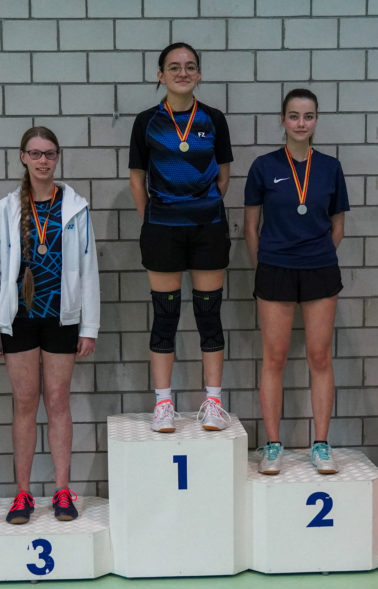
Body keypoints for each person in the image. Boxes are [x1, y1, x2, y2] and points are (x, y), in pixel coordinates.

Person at [0, 126, 100, 525]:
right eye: (35, 153)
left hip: (62, 317)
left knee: (59, 400)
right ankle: (23, 493)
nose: (43, 161)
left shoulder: (76, 207)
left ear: (57, 157)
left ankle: (62, 490)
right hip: (18, 319)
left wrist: (89, 327)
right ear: (23, 157)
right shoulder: (5, 210)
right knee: (25, 403)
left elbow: (88, 271)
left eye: (49, 154)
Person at [128, 42, 234, 433]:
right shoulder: (146, 121)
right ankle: (163, 403)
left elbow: (223, 175)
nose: (183, 72)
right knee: (165, 316)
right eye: (174, 67)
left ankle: (213, 401)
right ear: (161, 75)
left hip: (208, 228)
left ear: (199, 74)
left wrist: (199, 208)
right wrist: (157, 218)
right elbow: (137, 179)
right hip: (162, 230)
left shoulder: (214, 119)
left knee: (209, 314)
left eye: (190, 66)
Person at [244, 88, 349, 476]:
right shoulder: (263, 166)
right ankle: (273, 445)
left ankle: (320, 443)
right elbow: (250, 227)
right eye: (294, 116)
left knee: (319, 357)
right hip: (275, 269)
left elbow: (338, 226)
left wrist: (314, 255)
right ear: (283, 119)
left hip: (320, 269)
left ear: (316, 120)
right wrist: (267, 261)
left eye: (308, 116)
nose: (301, 123)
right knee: (275, 357)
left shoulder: (330, 167)